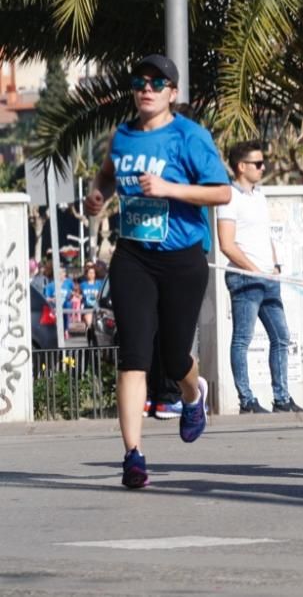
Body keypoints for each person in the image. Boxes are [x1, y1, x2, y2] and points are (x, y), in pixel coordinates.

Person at [84, 53, 231, 489]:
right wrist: (99, 195)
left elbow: (222, 192)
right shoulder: (124, 137)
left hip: (182, 257)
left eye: (156, 82)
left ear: (172, 92)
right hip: (133, 255)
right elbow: (108, 175)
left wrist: (169, 188)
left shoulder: (190, 136)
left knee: (171, 357)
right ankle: (133, 456)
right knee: (133, 354)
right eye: (139, 82)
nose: (146, 88)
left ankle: (193, 392)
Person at [217, 140, 303, 415]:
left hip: (268, 277)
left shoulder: (259, 196)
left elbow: (265, 235)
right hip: (244, 278)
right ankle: (247, 400)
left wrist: (275, 264)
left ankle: (281, 399)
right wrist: (252, 268)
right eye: (257, 164)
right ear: (241, 167)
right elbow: (226, 244)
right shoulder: (229, 197)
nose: (262, 167)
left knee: (281, 337)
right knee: (242, 338)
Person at [79, 263, 102, 330]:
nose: (91, 274)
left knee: (97, 327)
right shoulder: (83, 285)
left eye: (93, 273)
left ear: (95, 274)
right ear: (87, 274)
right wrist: (79, 296)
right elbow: (78, 294)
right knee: (90, 325)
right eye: (90, 273)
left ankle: (92, 338)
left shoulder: (99, 283)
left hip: (97, 308)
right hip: (87, 308)